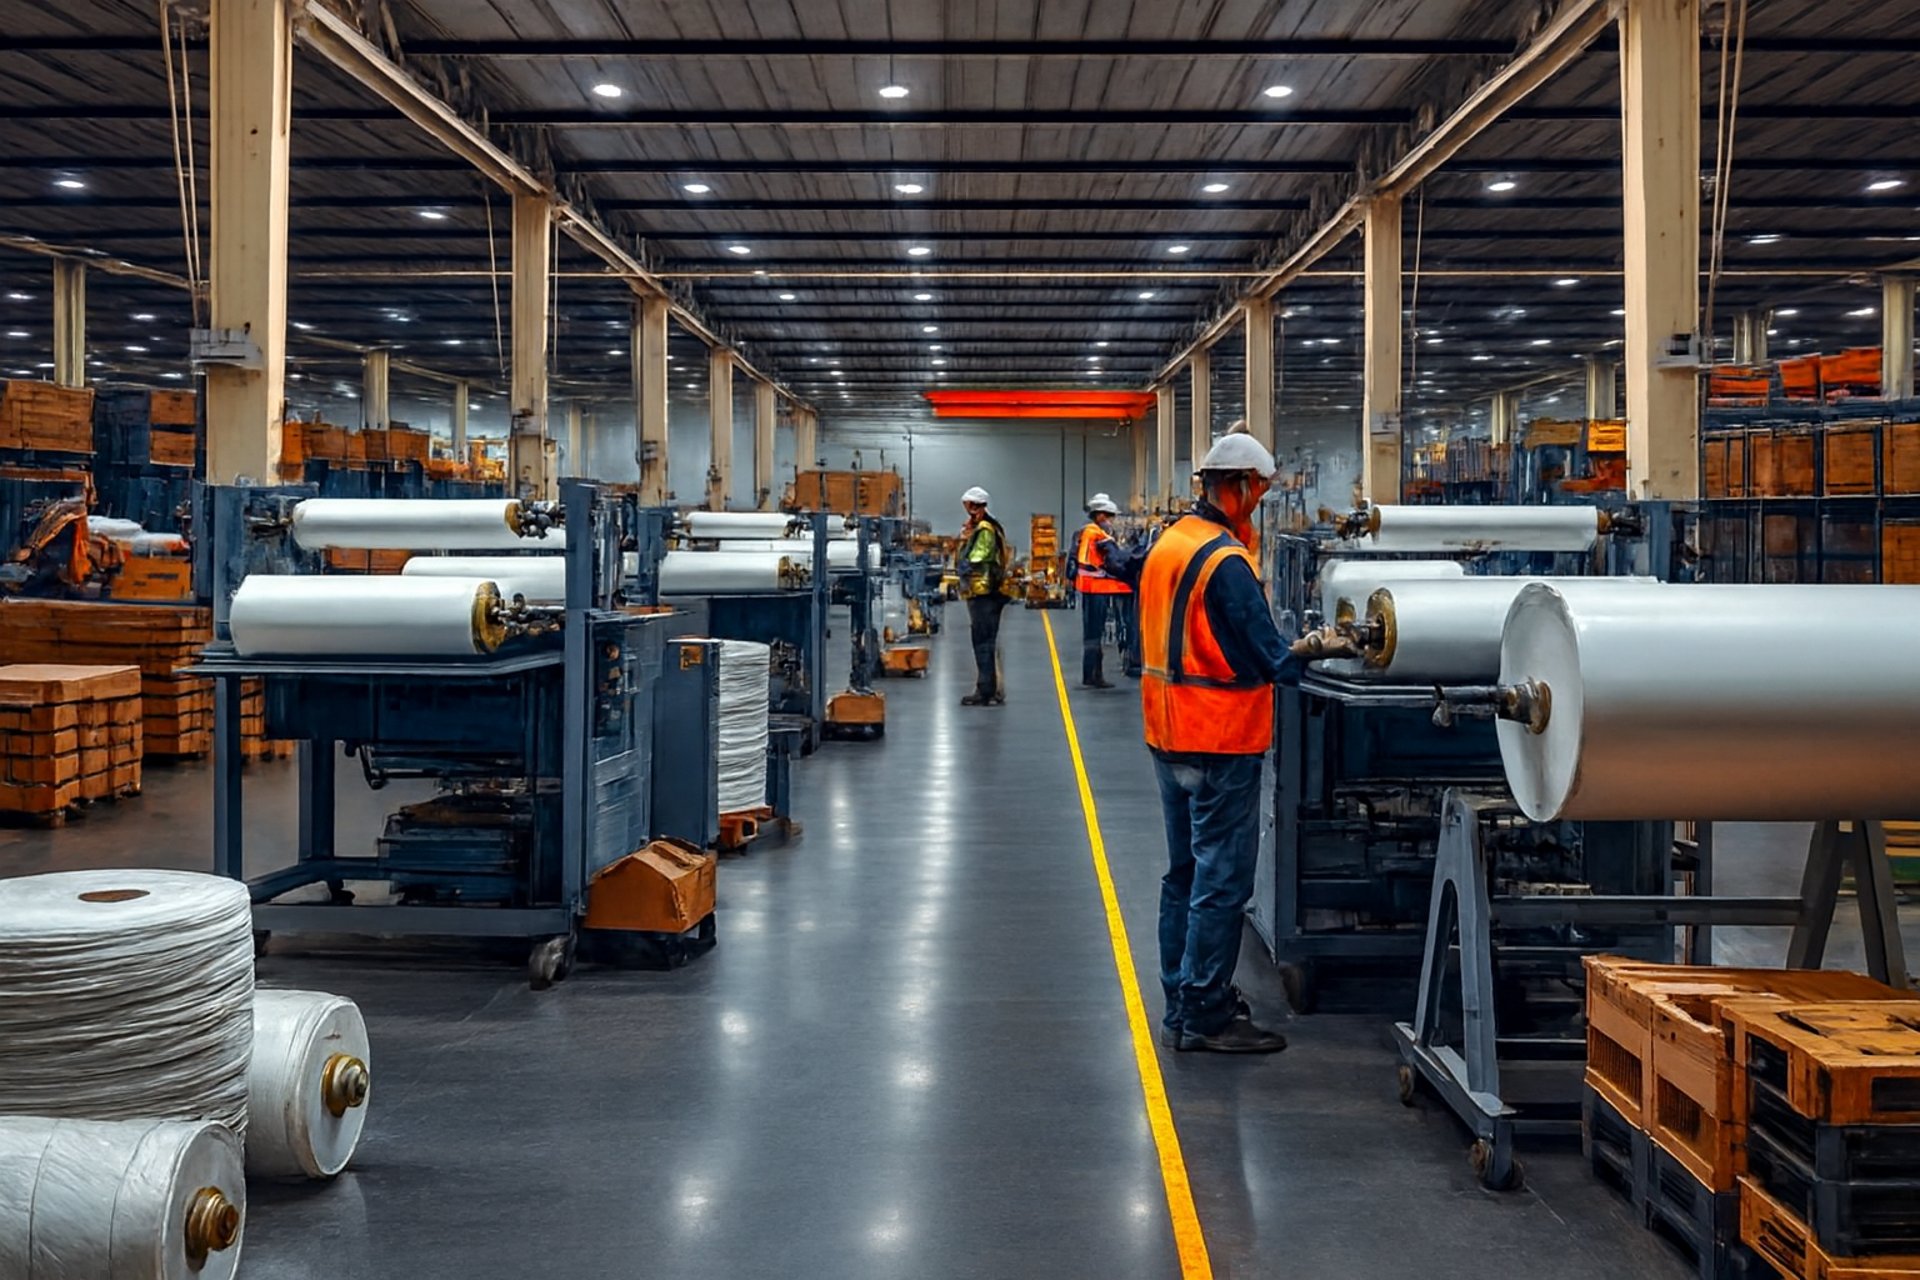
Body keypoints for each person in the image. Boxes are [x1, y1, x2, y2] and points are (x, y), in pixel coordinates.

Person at [1138, 423, 1335, 1054]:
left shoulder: (1170, 543)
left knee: (1184, 875)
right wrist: (1318, 647)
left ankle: (1180, 999)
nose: (1260, 503)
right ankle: (1206, 1013)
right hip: (1218, 739)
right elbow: (1271, 658)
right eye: (1259, 491)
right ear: (1242, 488)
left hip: (1167, 733)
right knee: (1222, 882)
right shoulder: (1225, 562)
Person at [955, 486, 1010, 706]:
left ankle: (985, 690)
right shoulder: (984, 526)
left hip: (984, 592)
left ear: (974, 505)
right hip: (984, 592)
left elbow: (979, 555)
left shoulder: (985, 529)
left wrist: (964, 554)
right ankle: (991, 689)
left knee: (983, 642)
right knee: (986, 641)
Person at [1071, 493, 1129, 688]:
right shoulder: (1098, 534)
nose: (1112, 521)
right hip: (1097, 588)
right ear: (1101, 516)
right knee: (1095, 633)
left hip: (1087, 588)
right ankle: (1093, 676)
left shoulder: (1083, 532)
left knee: (1091, 633)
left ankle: (1092, 674)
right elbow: (1115, 561)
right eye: (1110, 516)